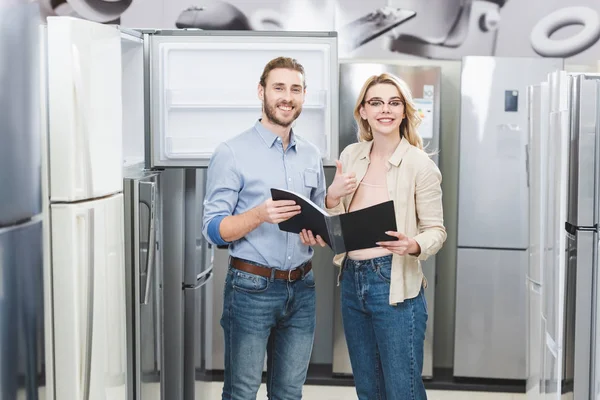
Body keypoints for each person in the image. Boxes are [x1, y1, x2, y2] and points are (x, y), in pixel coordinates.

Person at [300, 72, 446, 400]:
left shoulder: (419, 165)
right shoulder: (352, 155)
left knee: (402, 391)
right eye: (376, 102)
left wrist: (414, 244)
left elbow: (436, 230)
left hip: (394, 284)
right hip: (352, 280)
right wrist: (331, 198)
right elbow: (338, 223)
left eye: (394, 103)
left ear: (404, 111)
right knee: (368, 390)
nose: (385, 110)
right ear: (363, 111)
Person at [202, 56, 327, 400]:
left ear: (304, 96)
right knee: (241, 392)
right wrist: (259, 215)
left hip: (302, 287)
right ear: (262, 92)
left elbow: (319, 218)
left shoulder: (311, 154)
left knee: (289, 393)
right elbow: (213, 229)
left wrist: (323, 224)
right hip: (250, 289)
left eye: (296, 89)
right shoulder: (231, 152)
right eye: (279, 88)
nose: (288, 97)